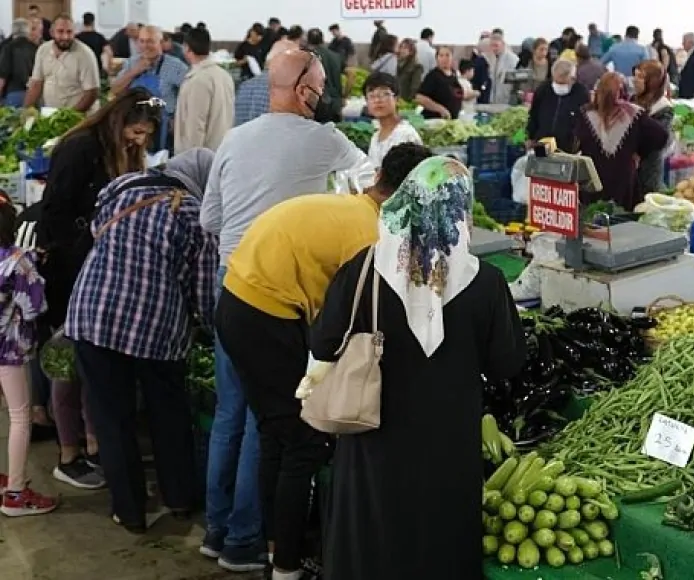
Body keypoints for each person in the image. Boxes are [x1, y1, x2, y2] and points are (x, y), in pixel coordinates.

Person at [214, 142, 431, 580]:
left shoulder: (352, 209)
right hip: (265, 315)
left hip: (237, 304)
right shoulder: (370, 234)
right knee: (303, 442)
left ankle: (273, 549)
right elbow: (356, 320)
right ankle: (289, 567)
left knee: (277, 435)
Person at [313, 155, 526, 580]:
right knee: (440, 542)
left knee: (372, 542)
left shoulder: (362, 270)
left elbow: (321, 342)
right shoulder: (484, 282)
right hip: (447, 448)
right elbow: (508, 363)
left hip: (373, 439)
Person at [200, 48, 368, 573]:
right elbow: (374, 181)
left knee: (228, 415)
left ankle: (216, 528)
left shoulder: (236, 136)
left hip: (230, 289)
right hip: (277, 299)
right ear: (304, 91)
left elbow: (209, 218)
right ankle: (245, 542)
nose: (324, 95)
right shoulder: (321, 138)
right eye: (320, 85)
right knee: (268, 423)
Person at [67, 148, 217, 533]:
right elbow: (203, 292)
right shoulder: (194, 214)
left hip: (92, 313)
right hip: (155, 327)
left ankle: (129, 510)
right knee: (169, 414)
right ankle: (180, 498)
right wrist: (211, 329)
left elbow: (98, 231)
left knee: (112, 418)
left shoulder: (119, 188)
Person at [37, 89, 162, 489]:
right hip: (70, 269)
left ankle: (95, 447)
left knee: (92, 366)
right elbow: (54, 212)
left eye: (145, 135)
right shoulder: (79, 148)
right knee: (68, 362)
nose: (139, 142)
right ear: (117, 120)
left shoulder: (119, 151)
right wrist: (86, 246)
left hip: (97, 267)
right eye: (136, 131)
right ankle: (68, 453)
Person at [0, 193, 56, 517]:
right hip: (10, 350)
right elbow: (35, 308)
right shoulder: (17, 261)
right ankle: (17, 493)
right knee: (20, 418)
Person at [572, 72, 669, 210]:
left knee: (592, 218)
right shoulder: (633, 114)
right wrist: (640, 151)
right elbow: (661, 136)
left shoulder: (585, 114)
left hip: (592, 180)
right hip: (623, 180)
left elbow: (577, 141)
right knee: (622, 222)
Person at [110, 25, 188, 152]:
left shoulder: (176, 66)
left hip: (164, 129)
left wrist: (177, 119)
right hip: (134, 128)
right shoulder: (131, 63)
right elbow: (115, 90)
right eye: (142, 41)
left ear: (161, 43)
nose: (145, 45)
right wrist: (135, 71)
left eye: (150, 41)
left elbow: (188, 96)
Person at [24, 14, 100, 114]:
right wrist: (26, 110)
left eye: (69, 32)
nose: (65, 36)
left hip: (81, 118)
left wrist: (69, 116)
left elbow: (92, 92)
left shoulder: (85, 55)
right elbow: (36, 84)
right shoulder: (43, 50)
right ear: (52, 32)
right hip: (52, 115)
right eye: (60, 31)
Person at [174, 27, 235, 153]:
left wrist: (190, 161)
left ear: (186, 47)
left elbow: (195, 125)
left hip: (201, 159)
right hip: (220, 150)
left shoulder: (198, 80)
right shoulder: (224, 75)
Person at [526, 59, 590, 152]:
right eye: (557, 82)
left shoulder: (581, 94)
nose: (559, 86)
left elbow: (585, 123)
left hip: (569, 149)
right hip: (542, 145)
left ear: (573, 79)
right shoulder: (543, 90)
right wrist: (530, 137)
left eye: (563, 83)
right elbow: (533, 115)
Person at [632, 60, 674, 194]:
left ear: (652, 82)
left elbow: (657, 140)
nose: (634, 81)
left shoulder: (663, 107)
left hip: (649, 168)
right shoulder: (634, 99)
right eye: (635, 76)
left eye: (640, 77)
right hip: (630, 168)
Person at [364, 73, 422, 168]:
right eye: (372, 96)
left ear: (397, 99)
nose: (378, 100)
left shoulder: (406, 134)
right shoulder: (375, 137)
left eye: (385, 94)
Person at [306, 28, 344, 123]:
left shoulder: (307, 57)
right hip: (335, 103)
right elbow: (352, 74)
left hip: (316, 105)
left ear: (308, 40)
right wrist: (345, 95)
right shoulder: (336, 56)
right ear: (322, 40)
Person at [415, 47, 463, 120]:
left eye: (447, 55)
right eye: (441, 55)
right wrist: (441, 109)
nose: (444, 58)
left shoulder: (454, 74)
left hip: (452, 121)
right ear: (437, 58)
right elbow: (420, 98)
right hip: (435, 121)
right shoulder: (433, 76)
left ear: (452, 57)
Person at [0, 18, 37, 107]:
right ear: (28, 31)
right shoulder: (36, 48)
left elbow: (2, 78)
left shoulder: (8, 47)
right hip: (33, 94)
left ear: (13, 31)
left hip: (13, 94)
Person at [486, 33, 519, 105]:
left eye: (496, 46)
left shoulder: (512, 59)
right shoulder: (493, 58)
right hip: (494, 99)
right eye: (492, 46)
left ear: (503, 44)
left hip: (507, 98)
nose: (494, 48)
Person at [76, 12, 108, 76]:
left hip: (80, 70)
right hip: (96, 70)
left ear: (83, 22)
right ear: (93, 22)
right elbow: (108, 52)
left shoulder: (77, 38)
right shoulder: (99, 37)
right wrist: (106, 69)